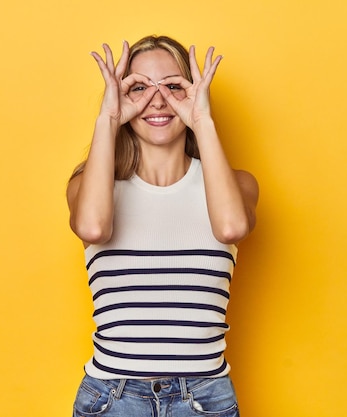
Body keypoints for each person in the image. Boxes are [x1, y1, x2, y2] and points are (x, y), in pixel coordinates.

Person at [66, 35, 259, 417]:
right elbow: (92, 228)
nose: (157, 100)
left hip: (205, 398)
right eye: (138, 88)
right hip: (112, 398)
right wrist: (107, 119)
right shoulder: (90, 188)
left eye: (173, 87)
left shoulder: (237, 186)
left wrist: (202, 121)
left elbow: (231, 228)